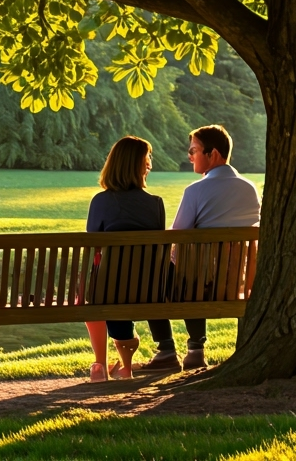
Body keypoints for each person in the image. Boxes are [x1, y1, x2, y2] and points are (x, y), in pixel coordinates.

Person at [164, 124, 261, 371]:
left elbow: (178, 236)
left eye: (194, 150)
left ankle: (192, 347)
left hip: (199, 285)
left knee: (182, 269)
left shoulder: (196, 190)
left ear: (213, 154)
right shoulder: (250, 188)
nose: (190, 156)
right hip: (237, 281)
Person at [83, 136, 174, 381]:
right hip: (148, 290)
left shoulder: (101, 201)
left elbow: (93, 248)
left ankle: (99, 365)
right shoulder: (156, 204)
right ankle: (125, 366)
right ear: (138, 166)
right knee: (117, 285)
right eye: (147, 160)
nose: (150, 166)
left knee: (96, 291)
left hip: (108, 291)